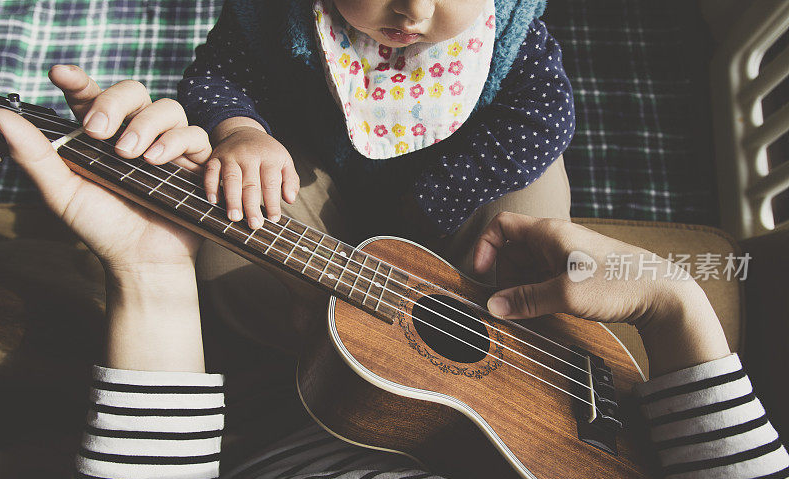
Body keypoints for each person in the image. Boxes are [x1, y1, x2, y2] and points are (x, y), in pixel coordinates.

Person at [0, 68, 787, 479]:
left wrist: (152, 276)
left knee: (240, 270)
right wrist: (675, 301)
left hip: (268, 406)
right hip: (552, 413)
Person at [178, 0, 575, 357]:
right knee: (230, 214)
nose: (413, 10)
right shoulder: (270, 13)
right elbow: (218, 77)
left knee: (534, 202)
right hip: (323, 216)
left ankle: (484, 339)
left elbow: (545, 118)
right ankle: (336, 338)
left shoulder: (509, 32)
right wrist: (240, 131)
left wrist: (440, 198)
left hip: (454, 219)